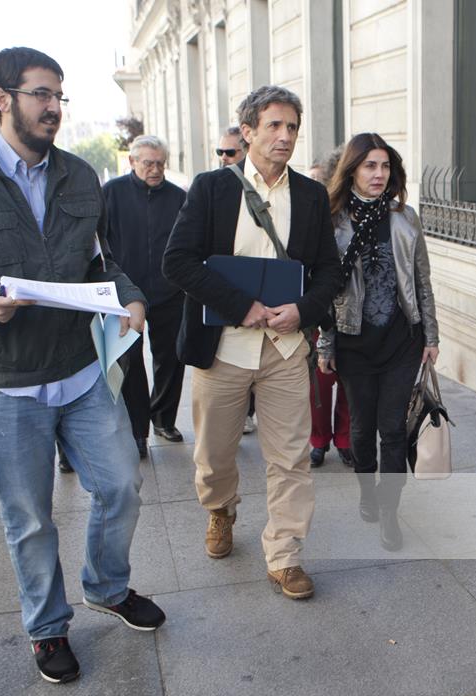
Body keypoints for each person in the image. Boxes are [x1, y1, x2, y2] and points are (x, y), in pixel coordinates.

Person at [0, 47, 166, 684]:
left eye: (59, 96)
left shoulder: (79, 176)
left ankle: (107, 586)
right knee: (30, 518)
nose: (54, 107)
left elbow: (99, 260)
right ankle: (47, 629)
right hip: (7, 383)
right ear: (2, 98)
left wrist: (129, 294)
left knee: (121, 487)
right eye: (42, 94)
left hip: (81, 371)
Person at [163, 85, 341, 598]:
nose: (285, 136)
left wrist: (303, 310)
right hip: (223, 346)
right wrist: (241, 306)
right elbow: (177, 262)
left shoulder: (310, 195)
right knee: (214, 455)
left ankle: (285, 555)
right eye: (274, 126)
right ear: (247, 132)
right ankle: (220, 509)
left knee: (291, 458)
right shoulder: (211, 188)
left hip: (285, 349)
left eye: (292, 127)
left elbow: (329, 271)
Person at [317, 133, 439, 552]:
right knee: (361, 429)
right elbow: (326, 291)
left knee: (393, 429)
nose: (379, 174)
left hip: (402, 341)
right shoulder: (333, 222)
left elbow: (422, 281)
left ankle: (390, 509)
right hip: (354, 343)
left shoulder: (405, 218)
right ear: (351, 170)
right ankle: (367, 489)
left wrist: (431, 335)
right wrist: (326, 345)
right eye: (370, 165)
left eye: (385, 166)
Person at [103, 135, 188, 457]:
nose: (155, 170)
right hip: (126, 295)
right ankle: (137, 431)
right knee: (129, 363)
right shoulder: (111, 193)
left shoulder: (178, 197)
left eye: (160, 164)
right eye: (148, 164)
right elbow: (100, 241)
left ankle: (164, 419)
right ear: (132, 162)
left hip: (170, 291)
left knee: (172, 358)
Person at [306, 147, 353, 469]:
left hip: (355, 315)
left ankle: (345, 440)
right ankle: (319, 440)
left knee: (350, 385)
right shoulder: (319, 214)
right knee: (319, 387)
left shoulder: (367, 215)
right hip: (321, 312)